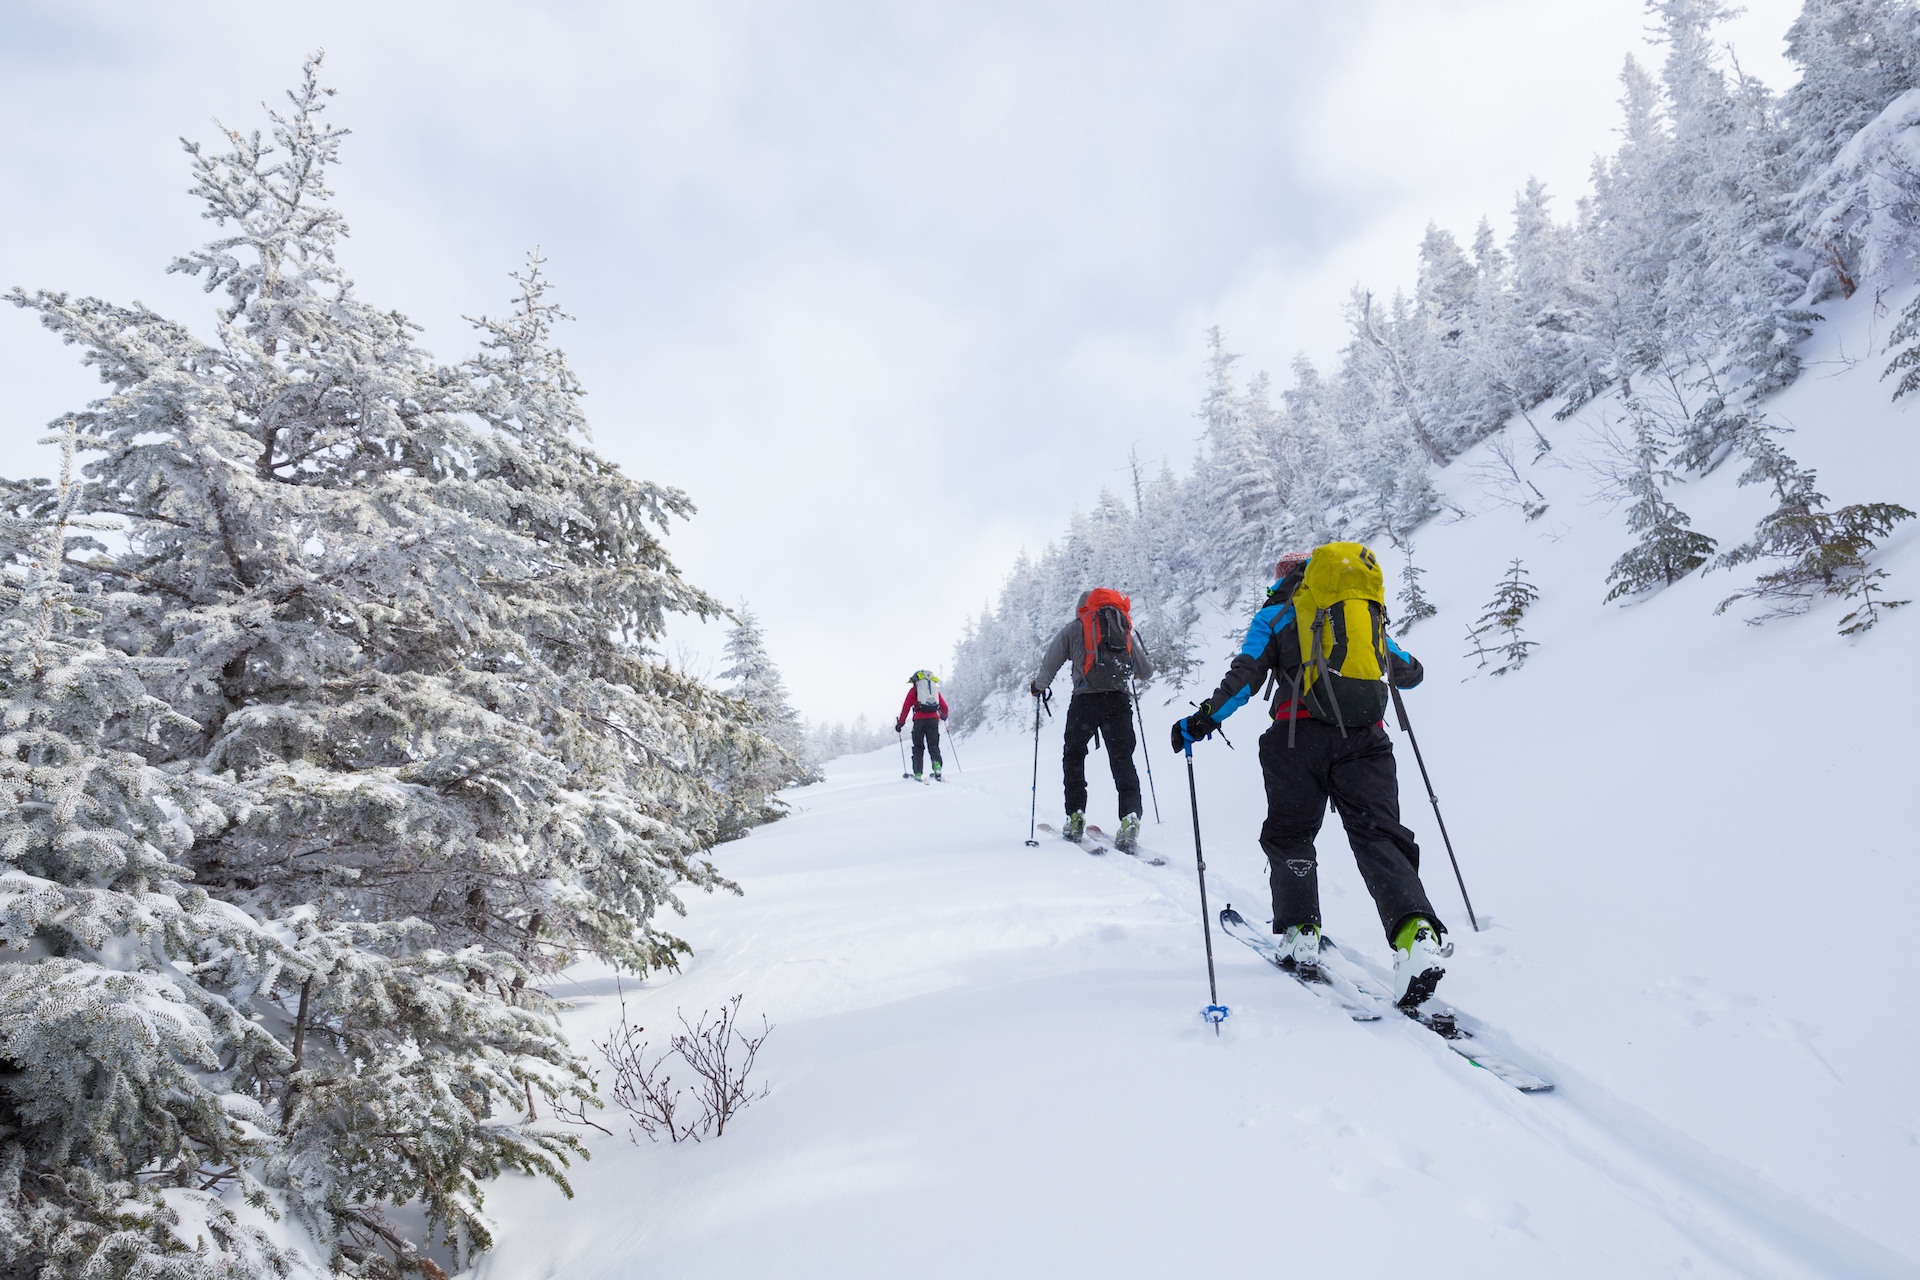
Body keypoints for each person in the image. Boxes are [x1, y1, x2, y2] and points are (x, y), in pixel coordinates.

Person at [1170, 543, 1451, 1008]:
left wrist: (1201, 721)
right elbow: (1408, 673)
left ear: (1282, 578)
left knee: (1291, 834)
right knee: (1379, 836)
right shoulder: (1358, 611)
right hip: (1366, 740)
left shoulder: (1276, 615)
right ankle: (1414, 933)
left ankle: (1301, 930)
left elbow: (1245, 678)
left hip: (1297, 740)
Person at [1030, 588, 1154, 850]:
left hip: (1085, 703)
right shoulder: (1122, 626)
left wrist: (1038, 686)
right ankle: (1130, 818)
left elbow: (1050, 663)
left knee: (1074, 756)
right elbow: (1146, 671)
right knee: (1122, 759)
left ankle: (1075, 816)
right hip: (1118, 703)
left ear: (1081, 607)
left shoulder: (1075, 628)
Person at [895, 670, 949, 782]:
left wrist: (900, 723)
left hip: (919, 721)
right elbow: (944, 707)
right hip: (933, 720)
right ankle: (937, 768)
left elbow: (905, 708)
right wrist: (944, 716)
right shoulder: (934, 691)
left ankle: (918, 773)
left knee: (918, 747)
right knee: (933, 745)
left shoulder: (914, 691)